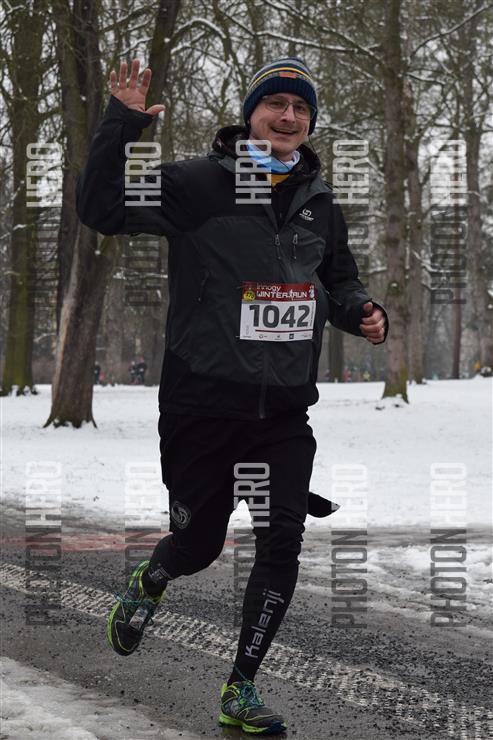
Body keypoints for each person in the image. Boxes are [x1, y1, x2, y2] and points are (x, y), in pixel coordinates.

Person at [76, 57, 388, 735]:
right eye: (275, 104)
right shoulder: (197, 184)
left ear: (309, 123)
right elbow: (100, 208)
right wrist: (121, 123)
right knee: (199, 546)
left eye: (300, 109)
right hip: (201, 406)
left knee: (281, 543)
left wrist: (361, 311)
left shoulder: (319, 201)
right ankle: (153, 578)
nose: (288, 117)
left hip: (283, 412)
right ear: (250, 116)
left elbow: (335, 280)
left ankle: (240, 687)